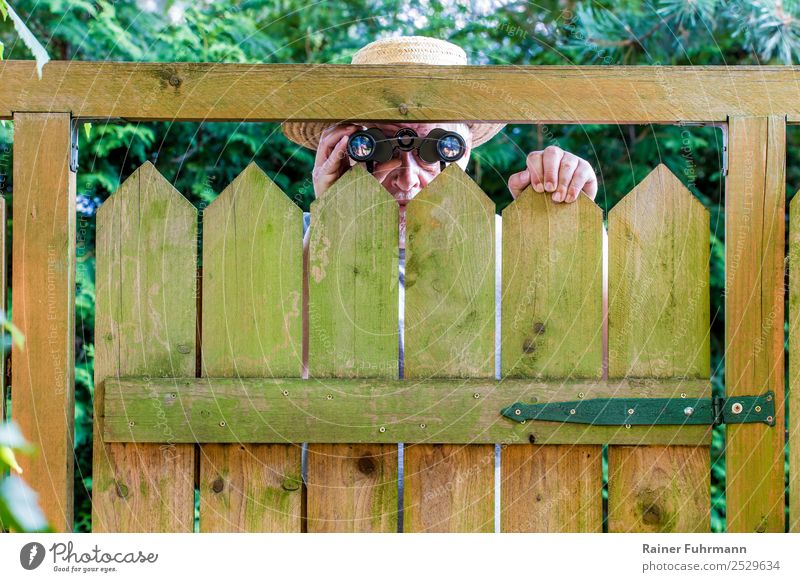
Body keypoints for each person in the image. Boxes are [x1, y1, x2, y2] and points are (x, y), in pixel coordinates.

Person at [281, 35, 600, 379]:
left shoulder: (511, 246)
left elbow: (598, 352)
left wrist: (568, 221)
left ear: (463, 153)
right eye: (379, 146)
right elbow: (274, 364)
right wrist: (332, 216)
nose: (408, 179)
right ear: (347, 149)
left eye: (435, 147)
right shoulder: (294, 242)